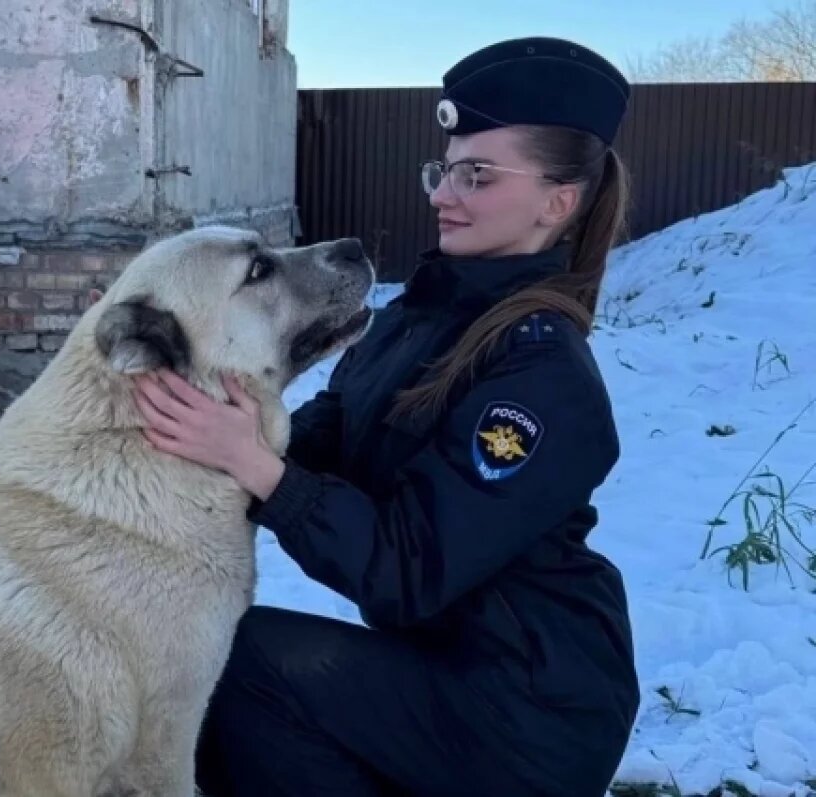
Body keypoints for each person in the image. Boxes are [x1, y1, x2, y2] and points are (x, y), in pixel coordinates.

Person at [132, 36, 641, 797]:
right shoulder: (426, 313)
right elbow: (328, 433)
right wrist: (205, 437)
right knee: (220, 671)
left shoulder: (541, 375)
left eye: (477, 175)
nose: (442, 194)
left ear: (556, 203)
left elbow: (409, 569)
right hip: (444, 667)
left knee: (237, 667)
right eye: (445, 169)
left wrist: (257, 467)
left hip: (529, 710)